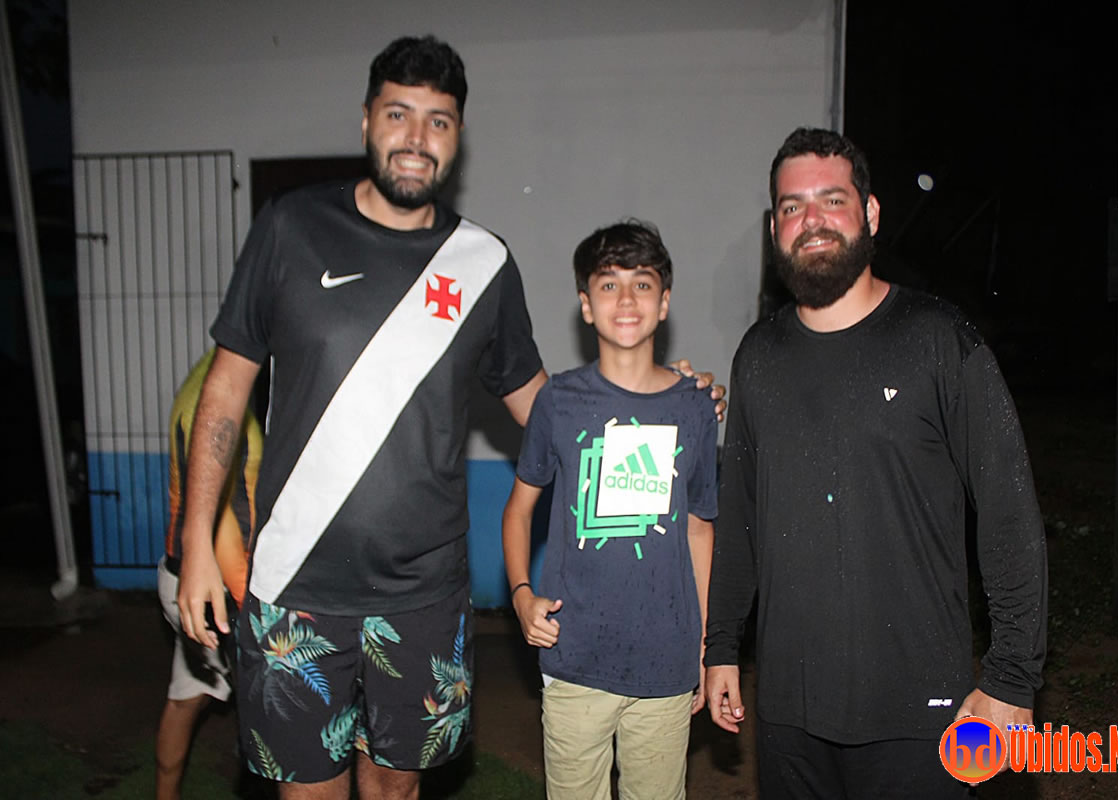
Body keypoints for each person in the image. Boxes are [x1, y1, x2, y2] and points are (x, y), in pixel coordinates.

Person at [176, 36, 721, 800]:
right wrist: (196, 541)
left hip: (426, 595)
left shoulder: (482, 264)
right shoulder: (289, 227)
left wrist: (664, 397)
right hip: (295, 584)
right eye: (398, 114)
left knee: (396, 790)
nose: (416, 137)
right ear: (366, 120)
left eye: (437, 121)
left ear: (457, 136)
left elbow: (554, 412)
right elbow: (226, 391)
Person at [703, 127, 1047, 799]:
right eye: (793, 206)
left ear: (871, 213)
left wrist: (1012, 675)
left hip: (921, 713)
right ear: (775, 228)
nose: (812, 220)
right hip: (789, 713)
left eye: (832, 200)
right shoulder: (758, 358)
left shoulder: (938, 339)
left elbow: (1008, 510)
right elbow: (739, 516)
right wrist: (721, 646)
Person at [503, 220, 718, 800]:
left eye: (642, 284)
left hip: (666, 663)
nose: (626, 299)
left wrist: (705, 647)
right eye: (608, 284)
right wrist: (521, 594)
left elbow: (700, 530)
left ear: (664, 303)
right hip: (574, 657)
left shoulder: (696, 408)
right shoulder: (558, 401)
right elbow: (518, 510)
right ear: (586, 305)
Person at [155, 348, 261, 800]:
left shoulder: (209, 374)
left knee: (187, 697)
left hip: (182, 578)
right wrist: (251, 614)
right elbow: (224, 521)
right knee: (273, 722)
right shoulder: (227, 396)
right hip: (219, 592)